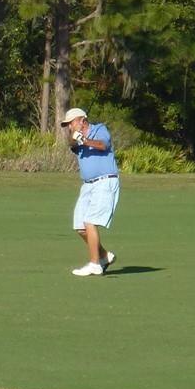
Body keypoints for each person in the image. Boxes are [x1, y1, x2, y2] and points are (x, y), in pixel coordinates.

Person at [60, 107, 119, 277]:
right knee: (80, 226)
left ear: (81, 120)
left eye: (70, 123)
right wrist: (77, 138)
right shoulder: (75, 139)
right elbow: (72, 145)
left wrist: (84, 140)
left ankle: (95, 264)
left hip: (105, 181)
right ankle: (104, 256)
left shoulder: (100, 129)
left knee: (90, 221)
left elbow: (103, 144)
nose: (69, 127)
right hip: (87, 186)